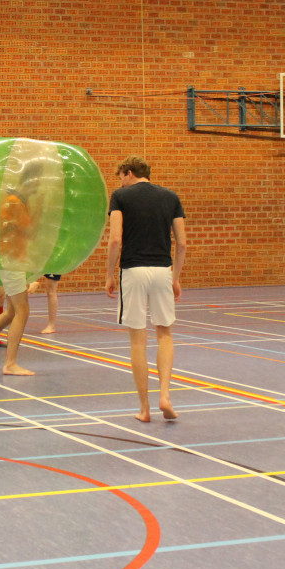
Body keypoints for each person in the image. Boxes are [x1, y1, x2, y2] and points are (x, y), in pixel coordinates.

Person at [104, 156, 186, 423]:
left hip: (134, 270)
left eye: (120, 177)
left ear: (128, 173)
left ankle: (145, 408)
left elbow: (115, 238)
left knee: (138, 340)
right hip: (163, 270)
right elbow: (182, 243)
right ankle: (165, 396)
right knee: (165, 334)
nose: (120, 183)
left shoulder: (120, 197)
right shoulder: (171, 196)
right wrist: (175, 277)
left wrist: (108, 274)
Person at [0, 271, 33, 374]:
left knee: (11, 311)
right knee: (22, 311)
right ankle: (10, 364)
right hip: (14, 268)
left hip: (10, 268)